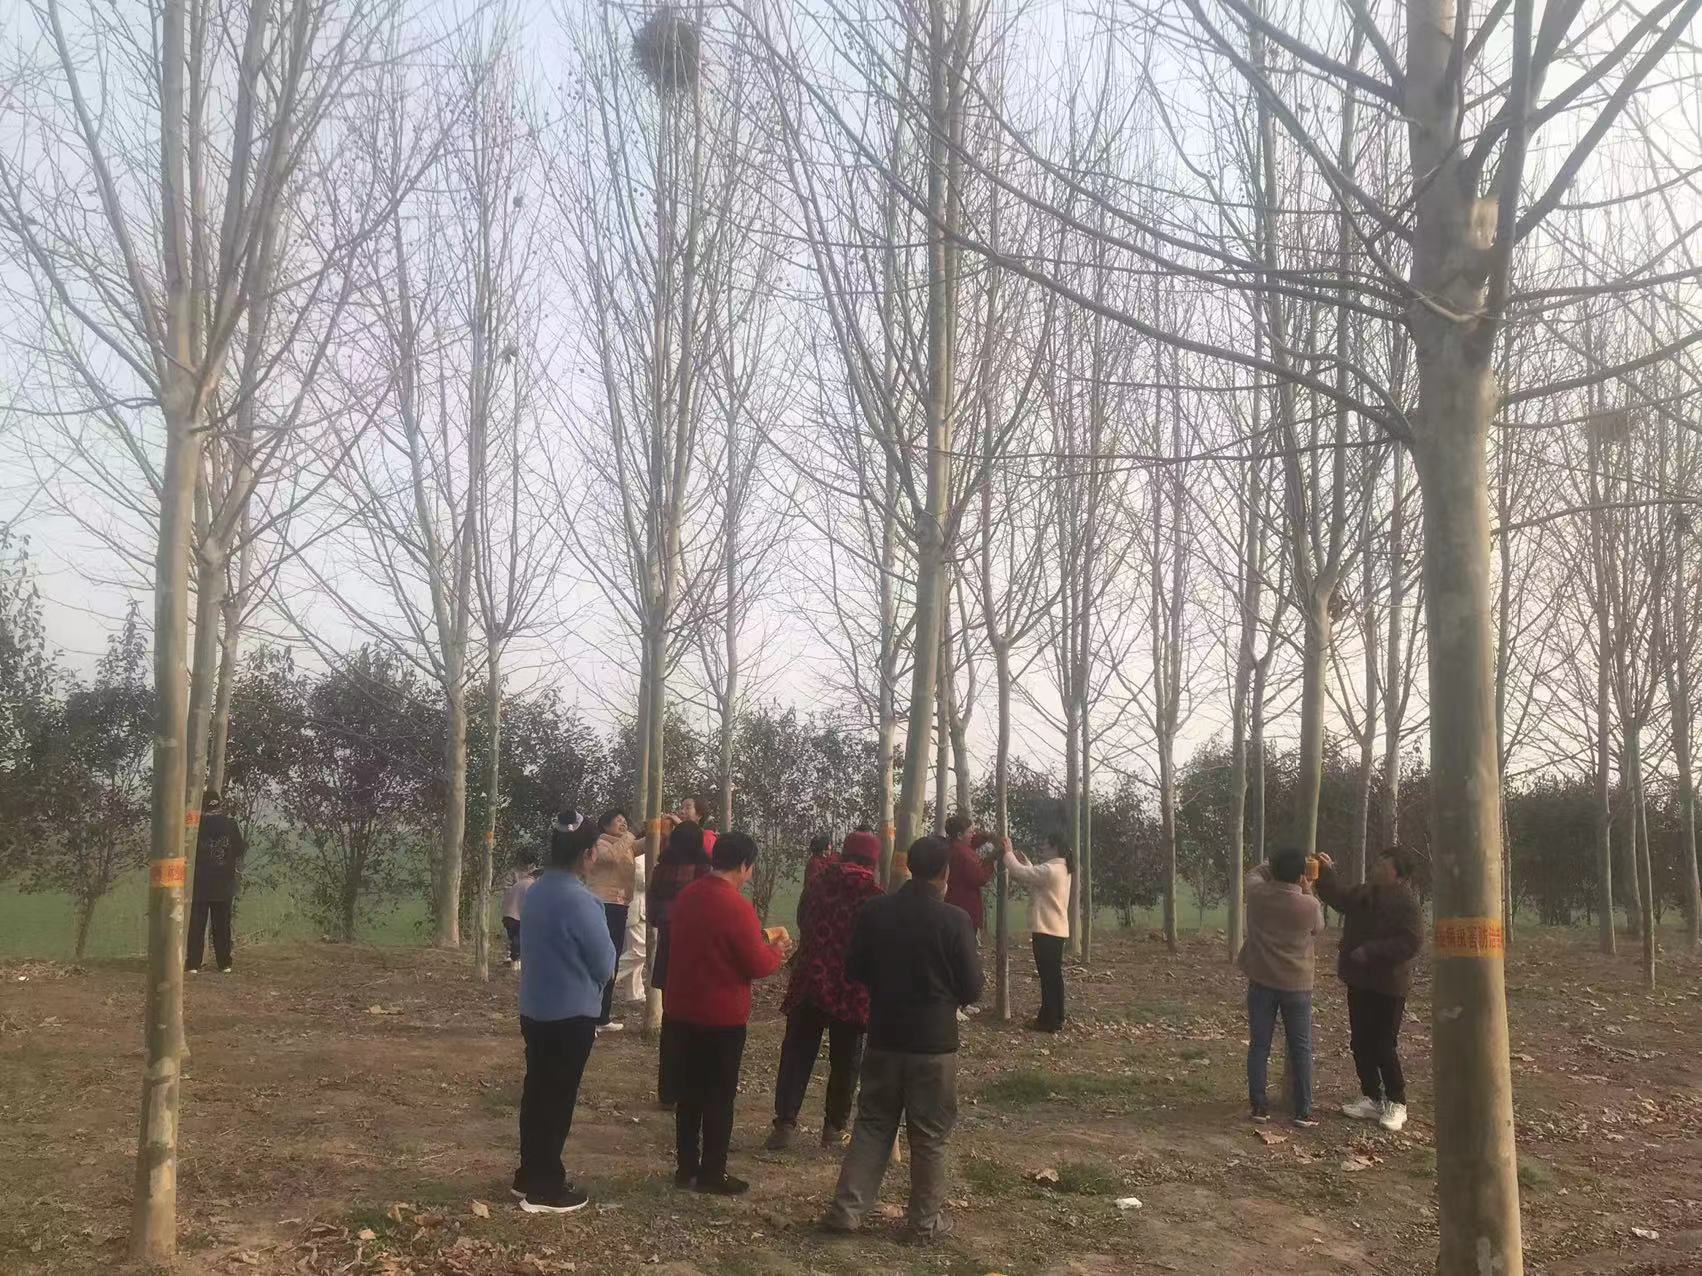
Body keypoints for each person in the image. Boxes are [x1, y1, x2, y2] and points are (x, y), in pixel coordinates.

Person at [823, 834, 982, 1242]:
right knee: (929, 1135)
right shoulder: (955, 920)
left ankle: (846, 1211)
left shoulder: (876, 911)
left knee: (873, 1124)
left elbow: (854, 969)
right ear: (945, 873)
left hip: (884, 1036)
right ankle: (923, 1224)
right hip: (934, 1043)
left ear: (910, 867)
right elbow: (973, 988)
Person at [661, 831, 790, 1195]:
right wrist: (777, 951)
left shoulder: (688, 896)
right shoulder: (736, 906)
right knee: (718, 1097)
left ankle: (686, 1168)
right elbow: (756, 963)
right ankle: (713, 1172)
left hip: (681, 1010)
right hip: (720, 1018)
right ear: (744, 866)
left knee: (688, 1095)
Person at [512, 808, 615, 1214]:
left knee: (537, 1093)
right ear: (588, 854)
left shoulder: (535, 891)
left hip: (535, 1010)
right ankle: (546, 1187)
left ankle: (528, 1173)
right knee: (557, 1100)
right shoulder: (582, 901)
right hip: (570, 1016)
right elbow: (605, 965)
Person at [766, 829, 885, 1151]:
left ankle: (784, 1124)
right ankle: (833, 1129)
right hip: (852, 987)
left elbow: (802, 920)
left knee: (797, 1054)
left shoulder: (818, 884)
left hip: (811, 980)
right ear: (873, 861)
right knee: (847, 1060)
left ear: (844, 853)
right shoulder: (875, 896)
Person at [1315, 847, 1423, 1133]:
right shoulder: (1365, 892)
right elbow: (1338, 897)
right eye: (1378, 860)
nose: (1376, 866)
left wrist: (1371, 950)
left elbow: (1411, 942)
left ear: (1398, 874)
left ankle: (1397, 1101)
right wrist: (1326, 872)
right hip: (1359, 979)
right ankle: (1372, 1097)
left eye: (1383, 863)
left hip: (1389, 985)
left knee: (1384, 1044)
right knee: (1360, 1042)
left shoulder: (1407, 904)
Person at [1239, 846, 1325, 1127]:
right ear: (1301, 875)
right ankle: (1304, 1110)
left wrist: (1272, 864)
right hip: (1297, 984)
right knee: (1301, 1047)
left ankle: (1259, 1106)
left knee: (1259, 1045)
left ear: (1273, 871)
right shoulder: (1309, 905)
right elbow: (1318, 928)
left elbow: (1253, 874)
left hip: (1262, 980)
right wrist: (1307, 886)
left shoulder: (1257, 894)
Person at [648, 819, 712, 1105]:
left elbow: (652, 913)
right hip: (697, 951)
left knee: (671, 1021)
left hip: (668, 948)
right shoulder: (703, 871)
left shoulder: (661, 868)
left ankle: (668, 1091)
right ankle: (691, 1086)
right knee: (696, 1020)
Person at [1003, 833, 1072, 1032]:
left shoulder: (1050, 869)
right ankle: (1055, 1016)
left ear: (1054, 847)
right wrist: (1028, 864)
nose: (1042, 849)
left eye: (1045, 846)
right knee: (1053, 977)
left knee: (1048, 977)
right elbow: (1035, 877)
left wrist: (1008, 853)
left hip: (1046, 930)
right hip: (1056, 930)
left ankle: (1049, 1021)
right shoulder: (1062, 868)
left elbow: (1020, 873)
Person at [585, 809, 638, 1030]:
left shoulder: (626, 844)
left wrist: (658, 829)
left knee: (612, 959)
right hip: (604, 904)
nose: (623, 824)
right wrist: (632, 833)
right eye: (618, 821)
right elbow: (611, 857)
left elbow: (644, 846)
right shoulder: (600, 844)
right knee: (601, 958)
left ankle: (602, 1016)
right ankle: (589, 1015)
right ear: (605, 825)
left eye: (625, 821)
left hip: (619, 905)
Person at [186, 790, 247, 975]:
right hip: (224, 883)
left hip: (199, 884)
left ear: (202, 805)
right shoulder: (230, 824)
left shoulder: (195, 825)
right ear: (219, 804)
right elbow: (239, 849)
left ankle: (193, 964)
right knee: (222, 925)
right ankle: (224, 964)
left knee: (197, 925)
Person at [942, 814, 996, 936]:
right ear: (960, 835)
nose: (973, 835)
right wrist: (990, 861)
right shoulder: (964, 855)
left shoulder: (951, 845)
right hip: (966, 908)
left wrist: (986, 836)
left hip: (952, 904)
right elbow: (979, 878)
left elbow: (972, 841)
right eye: (970, 832)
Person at [501, 850, 539, 972]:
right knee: (514, 936)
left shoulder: (536, 873)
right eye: (525, 863)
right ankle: (510, 956)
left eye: (530, 864)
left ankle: (521, 958)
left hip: (527, 910)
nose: (527, 866)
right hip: (514, 908)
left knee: (523, 936)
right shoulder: (513, 873)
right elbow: (506, 889)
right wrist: (519, 889)